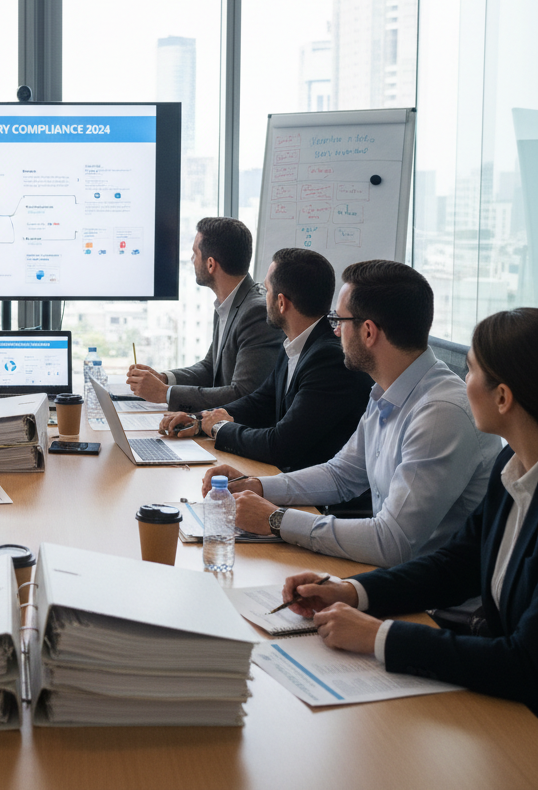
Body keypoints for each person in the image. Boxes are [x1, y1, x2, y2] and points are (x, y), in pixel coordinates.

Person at [278, 307, 538, 713]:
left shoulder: (446, 413)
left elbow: (525, 663)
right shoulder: (513, 468)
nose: (461, 382)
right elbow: (457, 564)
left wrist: (380, 636)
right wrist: (351, 591)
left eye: (469, 371)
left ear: (502, 397)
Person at [200, 259, 502, 565]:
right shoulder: (387, 390)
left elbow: (392, 542)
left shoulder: (440, 413)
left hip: (433, 606)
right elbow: (341, 475)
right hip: (392, 577)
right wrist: (257, 485)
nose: (334, 332)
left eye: (339, 321)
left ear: (368, 332)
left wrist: (276, 519)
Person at [161, 247, 372, 472]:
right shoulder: (294, 344)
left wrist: (219, 428)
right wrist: (199, 420)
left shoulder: (328, 359)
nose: (262, 295)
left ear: (281, 303)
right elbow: (260, 403)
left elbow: (280, 445)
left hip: (318, 500)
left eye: (266, 289)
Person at [125, 216, 283, 410]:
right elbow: (210, 368)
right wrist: (164, 378)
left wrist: (164, 393)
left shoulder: (256, 312)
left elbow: (243, 393)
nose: (192, 260)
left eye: (194, 253)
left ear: (210, 264)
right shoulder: (228, 303)